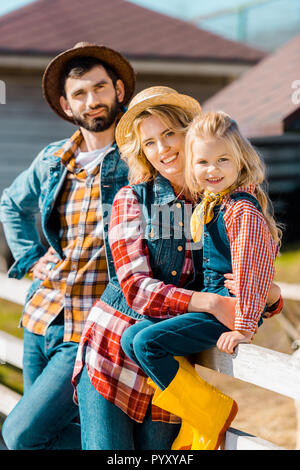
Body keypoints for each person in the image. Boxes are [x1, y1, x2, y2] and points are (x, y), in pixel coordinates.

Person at [72, 86, 282, 450]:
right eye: (149, 143)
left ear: (190, 131)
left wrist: (271, 295)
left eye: (169, 133)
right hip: (113, 352)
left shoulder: (218, 199)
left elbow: (247, 264)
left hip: (169, 364)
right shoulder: (134, 199)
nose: (163, 148)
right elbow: (136, 288)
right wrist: (211, 303)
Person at [0, 41, 136, 450]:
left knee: (20, 435)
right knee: (39, 437)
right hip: (41, 317)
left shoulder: (141, 157)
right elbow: (11, 203)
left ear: (119, 91)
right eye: (80, 93)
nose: (92, 101)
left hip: (92, 326)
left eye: (100, 88)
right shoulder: (53, 159)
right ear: (65, 104)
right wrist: (31, 256)